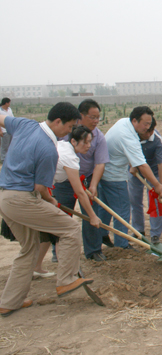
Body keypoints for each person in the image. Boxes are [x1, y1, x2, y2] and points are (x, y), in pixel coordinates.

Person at [0, 102, 94, 316]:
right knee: (69, 228)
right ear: (58, 121)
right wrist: (50, 201)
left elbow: (1, 118)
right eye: (69, 127)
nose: (69, 132)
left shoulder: (25, 124)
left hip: (4, 197)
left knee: (29, 248)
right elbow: (40, 188)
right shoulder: (48, 149)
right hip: (22, 199)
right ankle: (66, 280)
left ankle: (9, 301)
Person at [95, 106, 162, 251]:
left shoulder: (123, 122)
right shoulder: (127, 136)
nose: (147, 127)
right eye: (145, 124)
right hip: (114, 175)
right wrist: (157, 186)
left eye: (149, 124)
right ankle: (122, 245)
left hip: (103, 172)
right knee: (122, 210)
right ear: (134, 120)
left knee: (106, 208)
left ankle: (100, 234)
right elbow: (143, 166)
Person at [35, 125, 103, 273]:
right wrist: (92, 216)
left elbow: (79, 187)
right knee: (66, 229)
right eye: (85, 142)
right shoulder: (69, 157)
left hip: (40, 189)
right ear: (73, 141)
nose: (89, 146)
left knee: (48, 232)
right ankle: (69, 272)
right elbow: (79, 192)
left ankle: (36, 267)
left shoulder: (63, 146)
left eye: (90, 142)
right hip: (35, 192)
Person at [52, 99, 110, 262]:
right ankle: (57, 252)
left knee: (92, 214)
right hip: (63, 181)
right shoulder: (65, 134)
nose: (96, 121)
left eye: (98, 117)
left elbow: (100, 163)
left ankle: (93, 250)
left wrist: (93, 185)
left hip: (86, 178)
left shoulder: (99, 137)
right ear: (81, 116)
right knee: (62, 214)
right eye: (92, 117)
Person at [128, 118, 162, 244]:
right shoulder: (132, 136)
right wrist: (132, 165)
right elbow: (125, 152)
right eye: (146, 132)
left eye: (151, 131)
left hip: (153, 170)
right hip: (136, 170)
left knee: (155, 200)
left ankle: (155, 234)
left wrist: (160, 185)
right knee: (135, 200)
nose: (149, 134)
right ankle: (139, 230)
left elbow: (161, 164)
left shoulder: (156, 139)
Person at [0, 98, 14, 163]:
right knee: (4, 146)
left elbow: (12, 118)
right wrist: (0, 131)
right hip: (4, 130)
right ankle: (3, 159)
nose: (9, 104)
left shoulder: (9, 110)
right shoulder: (0, 111)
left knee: (10, 145)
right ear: (6, 103)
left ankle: (9, 158)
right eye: (9, 103)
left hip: (10, 129)